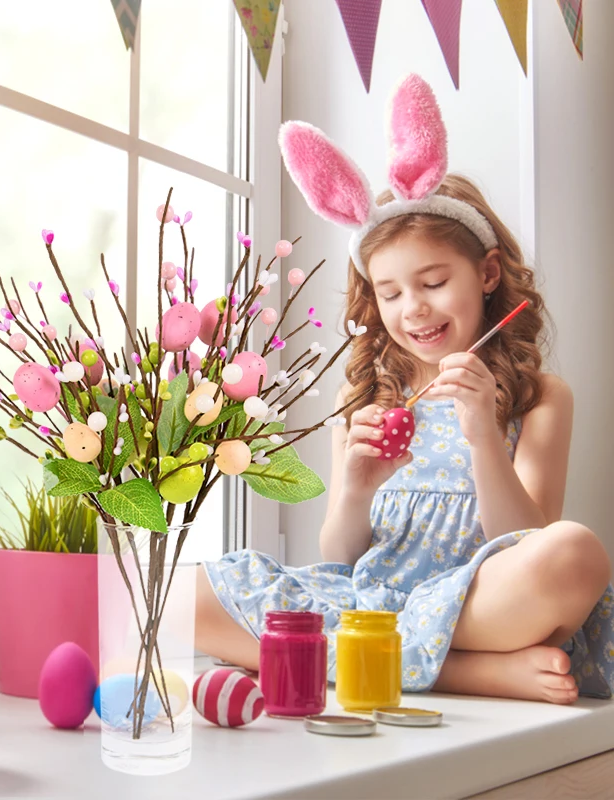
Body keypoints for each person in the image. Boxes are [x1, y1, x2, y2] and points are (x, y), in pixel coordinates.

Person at [194, 75, 614, 705]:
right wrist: (358, 487)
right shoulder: (364, 396)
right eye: (390, 293)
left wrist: (482, 439)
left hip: (479, 603)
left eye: (434, 281)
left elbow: (525, 538)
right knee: (189, 598)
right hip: (374, 602)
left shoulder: (539, 397)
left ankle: (379, 659)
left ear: (489, 273)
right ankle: (462, 673)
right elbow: (339, 555)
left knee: (574, 554)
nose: (413, 308)